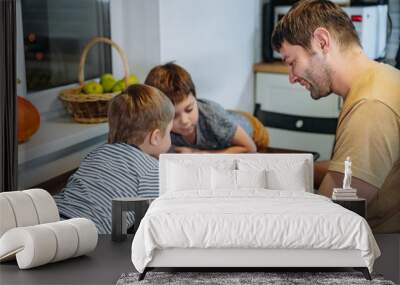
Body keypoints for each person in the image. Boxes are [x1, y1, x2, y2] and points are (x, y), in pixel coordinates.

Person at [272, 0, 400, 233]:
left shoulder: (370, 106)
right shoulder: (382, 78)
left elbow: (328, 220)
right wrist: (280, 167)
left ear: (322, 42)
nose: (291, 77)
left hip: (383, 251)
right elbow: (351, 166)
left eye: (292, 62)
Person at [53, 84, 175, 234]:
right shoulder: (152, 170)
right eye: (169, 131)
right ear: (155, 137)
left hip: (53, 215)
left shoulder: (97, 153)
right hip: (89, 235)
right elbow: (157, 220)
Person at [144, 63, 269, 153]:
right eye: (174, 116)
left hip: (253, 131)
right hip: (221, 126)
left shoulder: (214, 118)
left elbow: (250, 148)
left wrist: (199, 154)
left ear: (195, 98)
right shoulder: (159, 125)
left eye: (189, 109)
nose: (184, 120)